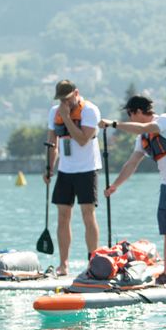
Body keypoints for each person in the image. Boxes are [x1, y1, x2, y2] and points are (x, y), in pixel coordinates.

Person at [99, 95, 166, 285]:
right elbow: (131, 163)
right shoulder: (142, 139)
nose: (130, 119)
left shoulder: (165, 120)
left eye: (130, 115)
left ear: (137, 112)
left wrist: (113, 124)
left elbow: (145, 127)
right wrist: (114, 186)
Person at [44, 79, 102, 276]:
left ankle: (93, 262)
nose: (64, 103)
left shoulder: (90, 111)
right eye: (61, 100)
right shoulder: (54, 112)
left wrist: (67, 117)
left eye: (67, 99)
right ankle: (63, 264)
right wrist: (49, 168)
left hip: (87, 169)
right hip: (65, 171)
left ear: (76, 93)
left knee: (87, 214)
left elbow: (83, 139)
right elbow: (52, 142)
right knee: (63, 216)